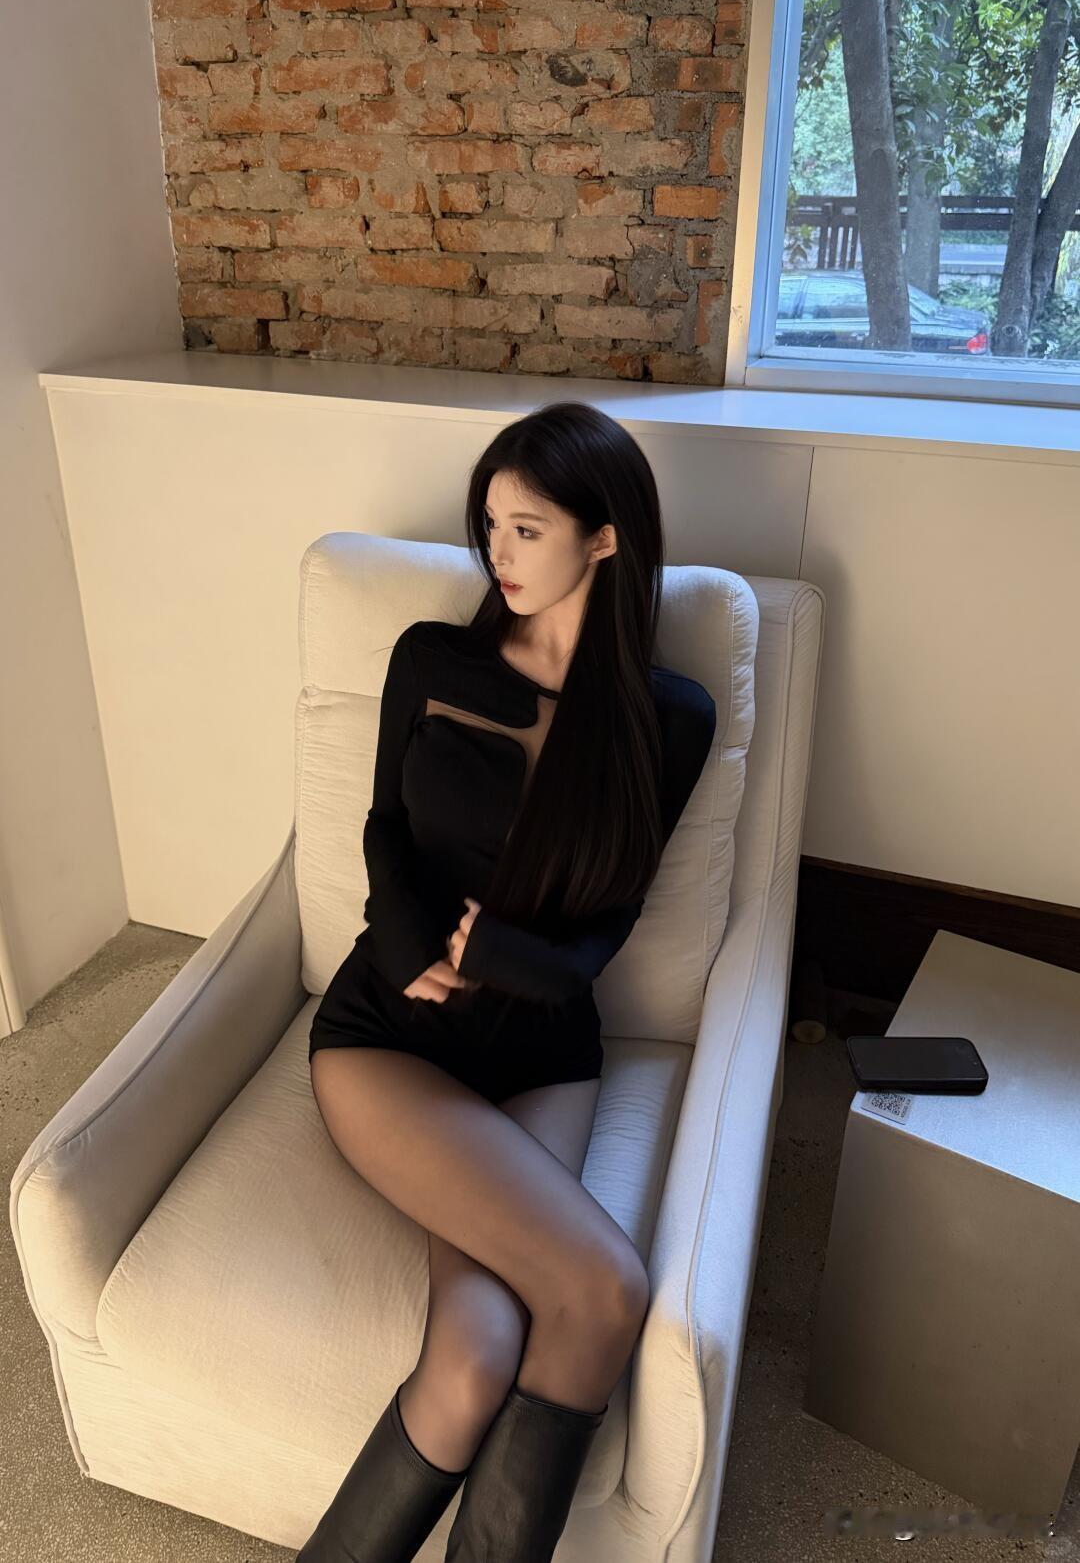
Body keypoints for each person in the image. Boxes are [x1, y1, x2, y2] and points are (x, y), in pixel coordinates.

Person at [297, 400, 717, 1563]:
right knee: (566, 1306)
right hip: (392, 1038)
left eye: (528, 529)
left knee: (506, 1337)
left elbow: (604, 936)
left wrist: (497, 958)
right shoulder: (431, 658)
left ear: (606, 537)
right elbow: (384, 831)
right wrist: (412, 952)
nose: (498, 554)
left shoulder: (669, 720)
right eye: (489, 525)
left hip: (541, 1054)